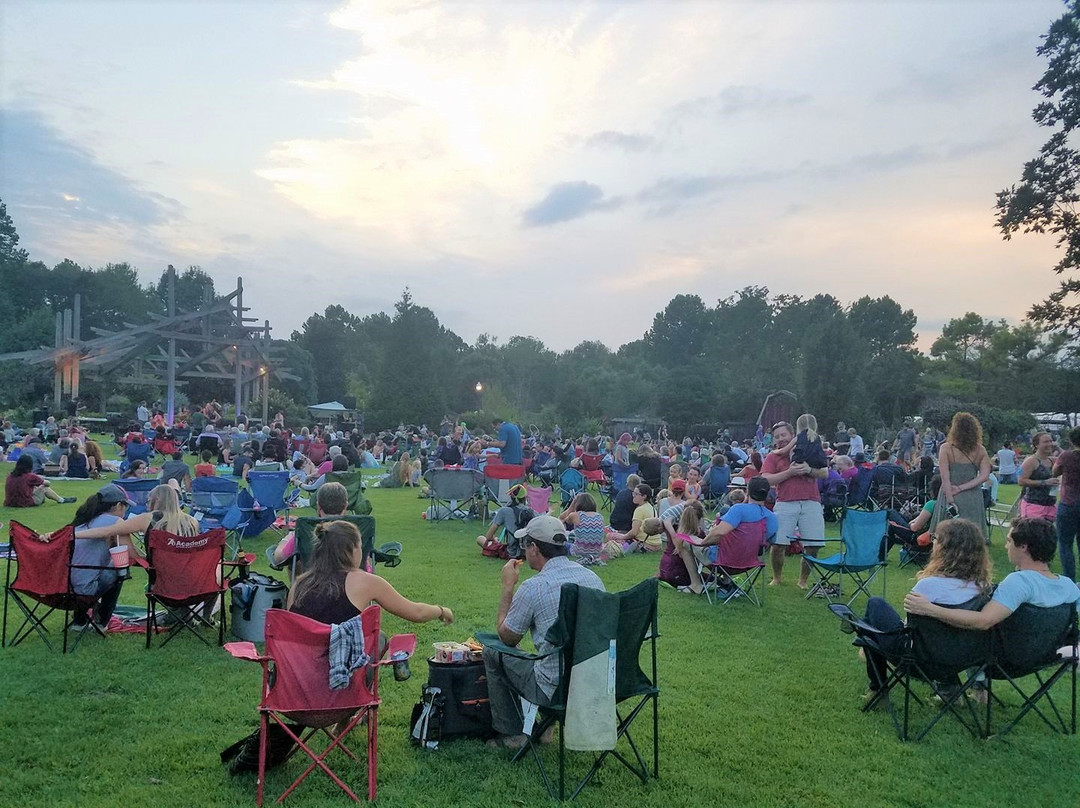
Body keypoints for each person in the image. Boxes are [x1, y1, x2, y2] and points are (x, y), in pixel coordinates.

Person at [484, 515, 604, 749]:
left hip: (555, 688)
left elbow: (507, 637)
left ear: (533, 548)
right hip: (595, 682)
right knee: (552, 656)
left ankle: (514, 734)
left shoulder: (534, 587)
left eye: (525, 544)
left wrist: (507, 587)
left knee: (492, 651)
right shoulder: (592, 579)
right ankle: (547, 726)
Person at [858, 518, 994, 698]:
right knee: (942, 636)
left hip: (918, 659)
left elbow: (908, 626)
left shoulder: (929, 586)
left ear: (946, 548)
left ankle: (877, 688)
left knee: (875, 605)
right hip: (961, 658)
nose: (932, 543)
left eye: (935, 539)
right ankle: (949, 687)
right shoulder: (984, 588)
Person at [904, 517, 1080, 636]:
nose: (1006, 546)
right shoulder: (1069, 586)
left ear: (1024, 546)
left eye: (1009, 541)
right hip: (1048, 655)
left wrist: (930, 609)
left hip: (1010, 658)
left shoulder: (1019, 583)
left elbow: (983, 621)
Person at [287, 520, 454, 628]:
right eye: (360, 545)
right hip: (343, 672)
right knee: (380, 639)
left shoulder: (298, 584)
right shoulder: (364, 581)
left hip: (299, 672)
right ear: (352, 549)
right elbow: (417, 612)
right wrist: (440, 610)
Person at [678, 476, 778, 594]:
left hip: (722, 561)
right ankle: (726, 583)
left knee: (685, 542)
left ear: (747, 491)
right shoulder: (772, 517)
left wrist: (703, 542)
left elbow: (718, 532)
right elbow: (768, 543)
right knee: (730, 543)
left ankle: (696, 585)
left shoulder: (739, 510)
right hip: (750, 563)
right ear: (766, 494)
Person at [761, 421, 828, 588]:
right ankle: (777, 578)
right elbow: (766, 479)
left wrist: (809, 470)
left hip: (811, 501)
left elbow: (824, 472)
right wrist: (789, 472)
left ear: (793, 435)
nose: (780, 439)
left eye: (783, 435)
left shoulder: (810, 448)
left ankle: (803, 581)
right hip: (785, 502)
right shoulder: (773, 456)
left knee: (813, 545)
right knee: (778, 544)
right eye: (777, 437)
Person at [929, 412, 991, 541]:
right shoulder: (981, 450)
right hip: (972, 496)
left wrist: (951, 500)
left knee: (946, 537)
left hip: (949, 492)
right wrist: (962, 487)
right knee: (972, 537)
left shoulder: (946, 448)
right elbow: (984, 476)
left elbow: (945, 477)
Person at [271, 482, 350, 570]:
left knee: (296, 560)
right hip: (355, 582)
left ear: (318, 507)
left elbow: (279, 558)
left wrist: (285, 539)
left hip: (315, 580)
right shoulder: (360, 529)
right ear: (345, 506)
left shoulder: (306, 529)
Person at [475, 484, 535, 559]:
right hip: (529, 552)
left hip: (512, 552)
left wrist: (496, 540)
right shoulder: (530, 511)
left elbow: (489, 536)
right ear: (525, 497)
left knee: (480, 538)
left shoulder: (504, 511)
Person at [1054, 426, 1080, 581]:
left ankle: (1069, 579)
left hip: (1069, 503)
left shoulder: (1066, 456)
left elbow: (1055, 472)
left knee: (1065, 544)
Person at [1018, 431, 1059, 521]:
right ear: (1037, 445)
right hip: (1033, 506)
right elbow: (1021, 481)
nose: (1050, 444)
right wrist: (1044, 482)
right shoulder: (1031, 461)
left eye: (1051, 441)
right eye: (1046, 442)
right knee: (1033, 534)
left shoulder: (1052, 461)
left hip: (1050, 506)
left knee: (1048, 534)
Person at [4, 454, 76, 506]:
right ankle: (61, 500)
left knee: (35, 487)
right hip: (25, 502)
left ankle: (60, 499)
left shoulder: (10, 476)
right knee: (44, 487)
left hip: (10, 502)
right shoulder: (30, 476)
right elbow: (47, 483)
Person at [607, 483, 659, 553]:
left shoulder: (640, 510)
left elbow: (634, 533)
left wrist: (622, 536)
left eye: (636, 494)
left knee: (611, 536)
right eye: (633, 493)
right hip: (656, 544)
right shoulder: (651, 507)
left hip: (645, 545)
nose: (633, 496)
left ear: (644, 496)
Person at [560, 492, 605, 565]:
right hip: (597, 552)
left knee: (562, 542)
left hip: (579, 551)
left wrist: (573, 503)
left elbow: (562, 518)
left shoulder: (576, 515)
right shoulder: (600, 517)